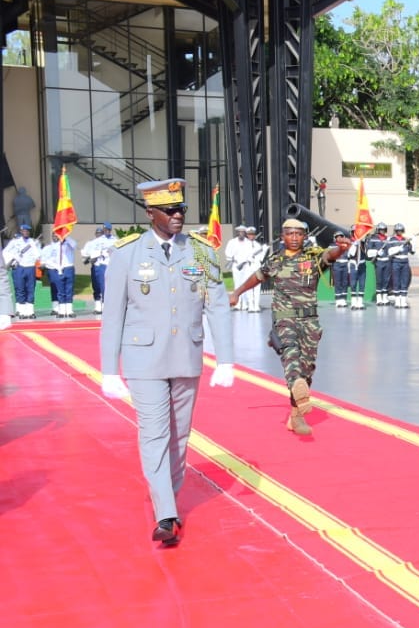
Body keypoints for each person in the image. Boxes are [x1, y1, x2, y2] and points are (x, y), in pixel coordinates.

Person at [99, 179, 235, 547]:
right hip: (143, 358)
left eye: (181, 210)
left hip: (187, 357)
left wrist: (226, 359)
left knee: (180, 436)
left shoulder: (202, 252)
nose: (177, 216)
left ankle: (168, 498)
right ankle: (166, 514)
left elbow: (218, 306)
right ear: (150, 213)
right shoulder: (126, 254)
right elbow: (113, 315)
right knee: (155, 432)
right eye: (170, 210)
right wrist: (109, 369)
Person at [229, 217, 351, 436]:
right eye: (290, 234)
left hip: (310, 321)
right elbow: (257, 278)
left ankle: (296, 415)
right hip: (285, 319)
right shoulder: (275, 260)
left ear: (304, 236)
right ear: (282, 237)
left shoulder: (313, 258)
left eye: (299, 234)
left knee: (306, 368)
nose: (294, 238)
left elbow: (330, 254)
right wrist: (237, 293)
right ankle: (297, 397)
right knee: (291, 357)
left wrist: (341, 249)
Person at [3, 223, 40, 319]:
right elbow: (5, 252)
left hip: (30, 267)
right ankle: (22, 311)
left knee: (30, 289)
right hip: (19, 267)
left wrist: (34, 246)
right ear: (21, 231)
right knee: (20, 289)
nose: (26, 232)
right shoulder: (15, 242)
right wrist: (14, 256)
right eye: (24, 231)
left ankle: (30, 311)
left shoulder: (33, 242)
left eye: (27, 231)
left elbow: (38, 255)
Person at [46, 230, 78, 318]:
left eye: (59, 234)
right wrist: (55, 266)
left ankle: (69, 310)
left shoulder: (69, 243)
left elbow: (75, 245)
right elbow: (51, 258)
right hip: (59, 268)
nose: (57, 236)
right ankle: (62, 310)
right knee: (60, 290)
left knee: (69, 289)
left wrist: (65, 236)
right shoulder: (55, 246)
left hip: (69, 268)